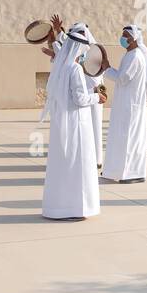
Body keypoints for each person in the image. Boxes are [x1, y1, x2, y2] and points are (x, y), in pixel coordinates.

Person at [41, 25, 103, 219]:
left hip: (61, 122)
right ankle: (76, 208)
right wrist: (97, 98)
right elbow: (80, 99)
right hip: (77, 124)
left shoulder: (61, 66)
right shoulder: (75, 68)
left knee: (62, 164)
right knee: (78, 166)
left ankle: (58, 207)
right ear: (78, 49)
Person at [102, 24, 147, 183]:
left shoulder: (135, 56)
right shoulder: (130, 54)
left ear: (134, 39)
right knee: (120, 137)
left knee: (130, 139)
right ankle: (116, 170)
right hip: (124, 103)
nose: (123, 38)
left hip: (131, 106)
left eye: (126, 35)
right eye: (123, 35)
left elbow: (122, 78)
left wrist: (106, 68)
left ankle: (132, 173)